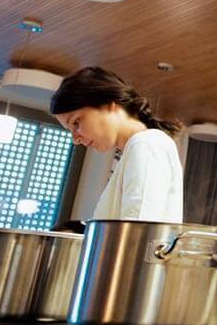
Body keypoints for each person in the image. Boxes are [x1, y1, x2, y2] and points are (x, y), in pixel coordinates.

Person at [51, 67, 185, 223]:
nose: (75, 139)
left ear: (109, 105)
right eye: (70, 130)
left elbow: (137, 228)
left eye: (76, 122)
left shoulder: (146, 143)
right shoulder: (139, 146)